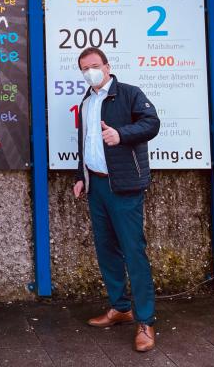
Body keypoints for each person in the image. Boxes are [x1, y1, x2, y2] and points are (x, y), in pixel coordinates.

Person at [72, 47, 161, 352]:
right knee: (106, 251)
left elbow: (152, 124)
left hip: (124, 187)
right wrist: (80, 176)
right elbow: (84, 143)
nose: (90, 72)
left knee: (134, 253)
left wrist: (121, 134)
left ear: (107, 66)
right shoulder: (86, 101)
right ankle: (120, 307)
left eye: (94, 66)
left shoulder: (129, 94)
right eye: (84, 68)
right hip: (96, 187)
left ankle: (146, 321)